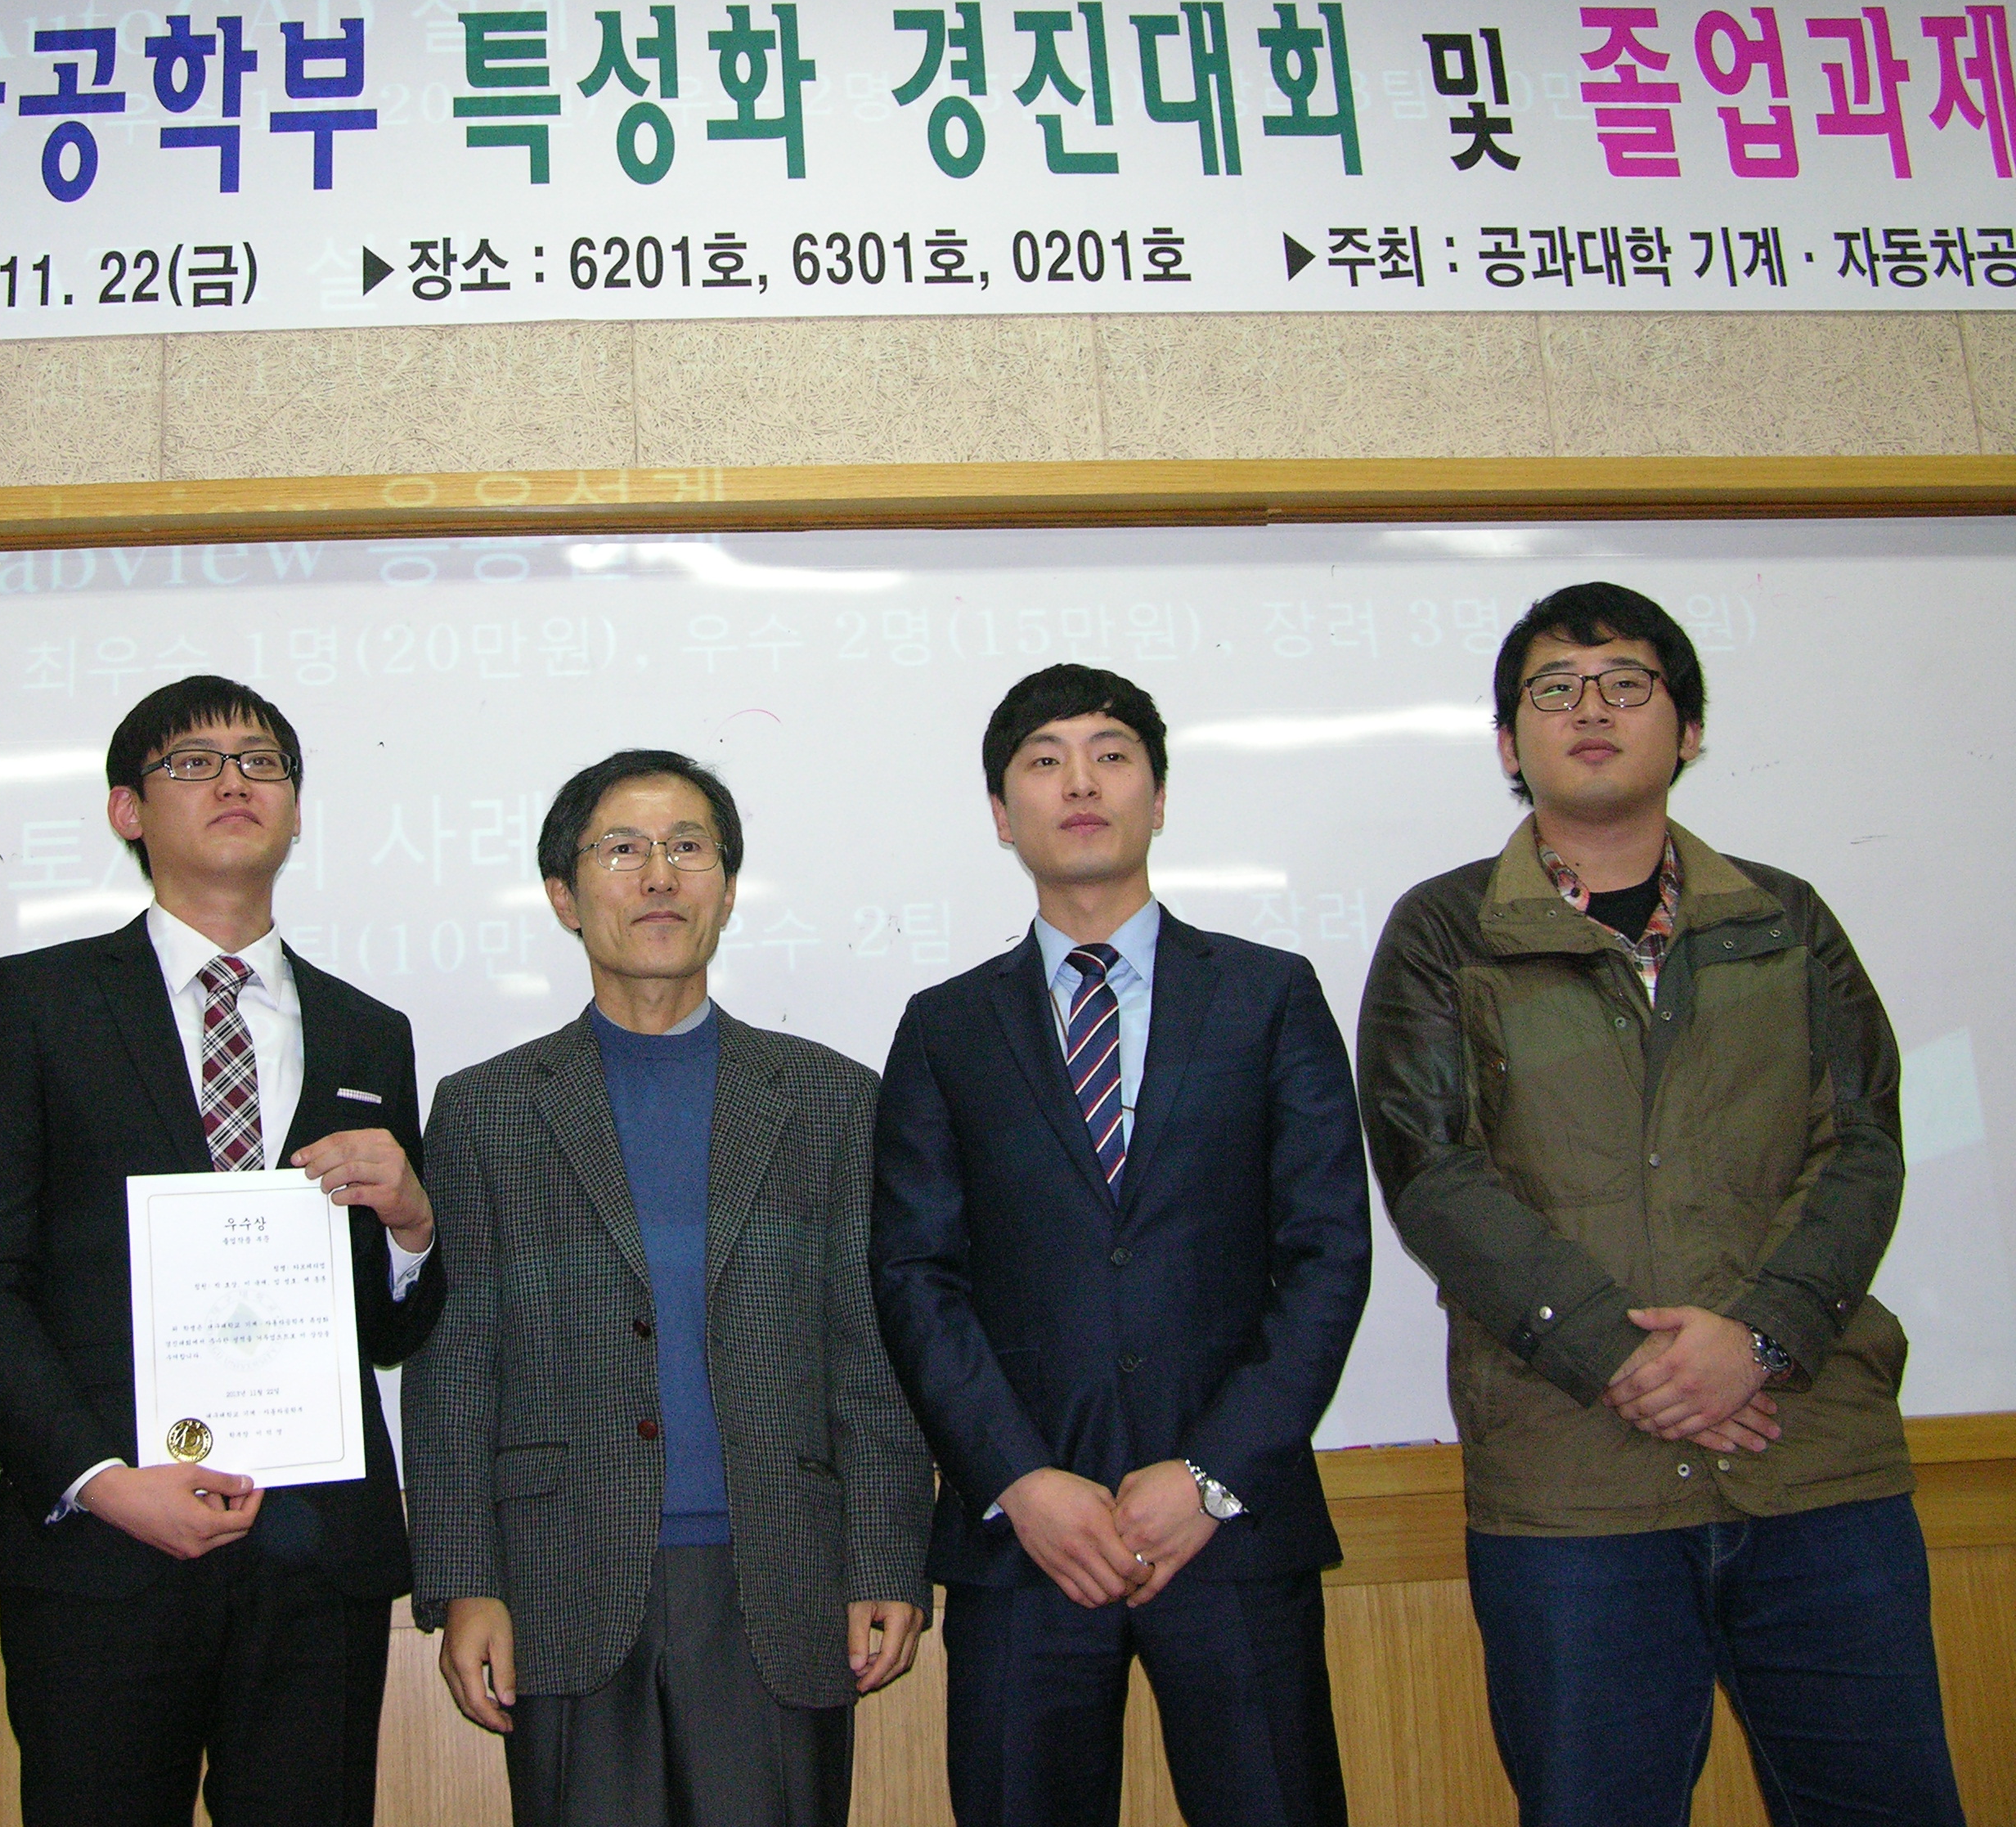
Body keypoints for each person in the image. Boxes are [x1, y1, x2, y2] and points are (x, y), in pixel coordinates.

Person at [1356, 582, 1964, 1827]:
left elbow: (1864, 1145)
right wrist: (1620, 1359)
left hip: (1814, 1466)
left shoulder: (1786, 920)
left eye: (1627, 685)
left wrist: (1763, 1338)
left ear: (1687, 729)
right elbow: (1432, 1171)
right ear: (1508, 742)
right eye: (1555, 690)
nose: (1592, 711)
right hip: (1574, 1484)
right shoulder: (1445, 932)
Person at [0, 674, 443, 1827]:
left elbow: (388, 1326)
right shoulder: (36, 1001)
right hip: (102, 1550)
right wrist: (101, 1481)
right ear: (129, 810)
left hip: (317, 1556)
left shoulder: (369, 1030)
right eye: (193, 763)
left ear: (296, 812)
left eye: (261, 764)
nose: (233, 782)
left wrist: (413, 1224)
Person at [873, 664, 1370, 1827]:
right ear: (1003, 815)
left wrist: (1211, 1475)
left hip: (1233, 1532)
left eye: (1111, 755)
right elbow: (915, 1276)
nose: (1081, 782)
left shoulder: (1268, 995)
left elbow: (1327, 1254)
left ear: (1159, 795)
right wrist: (1019, 1480)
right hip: (1027, 1547)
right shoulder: (946, 1028)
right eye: (1045, 761)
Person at [405, 748, 931, 1827]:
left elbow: (871, 1352)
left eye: (689, 848)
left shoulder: (830, 1099)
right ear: (565, 896)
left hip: (780, 1578)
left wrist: (886, 1556)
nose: (659, 876)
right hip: (560, 1579)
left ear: (727, 890)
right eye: (622, 850)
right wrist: (465, 1581)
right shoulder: (486, 1108)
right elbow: (455, 1366)